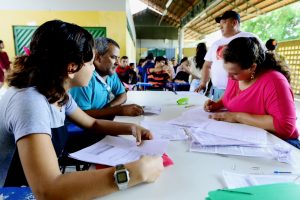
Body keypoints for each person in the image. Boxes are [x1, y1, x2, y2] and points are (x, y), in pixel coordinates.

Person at [0, 20, 163, 198]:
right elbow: (48, 189)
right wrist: (134, 172)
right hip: (10, 191)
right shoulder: (30, 102)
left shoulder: (57, 92)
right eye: (91, 63)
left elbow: (92, 123)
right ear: (72, 67)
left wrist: (131, 128)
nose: (93, 69)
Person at [204, 37, 299, 148]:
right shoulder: (235, 77)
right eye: (227, 71)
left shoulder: (274, 82)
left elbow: (285, 126)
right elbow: (231, 96)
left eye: (234, 73)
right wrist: (218, 104)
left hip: (279, 144)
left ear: (252, 67)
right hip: (248, 138)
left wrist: (237, 117)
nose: (229, 77)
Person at [195, 10, 265, 101]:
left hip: (242, 91)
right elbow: (207, 65)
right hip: (217, 91)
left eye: (224, 23)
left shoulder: (249, 38)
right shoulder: (216, 44)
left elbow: (262, 62)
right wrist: (203, 83)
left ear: (234, 22)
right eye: (220, 25)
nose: (221, 27)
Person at [70, 37, 143, 119]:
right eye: (113, 57)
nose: (118, 63)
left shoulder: (110, 73)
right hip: (80, 129)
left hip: (99, 122)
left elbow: (123, 95)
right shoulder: (84, 79)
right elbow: (82, 116)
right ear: (97, 57)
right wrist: (118, 110)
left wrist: (109, 107)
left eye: (118, 58)